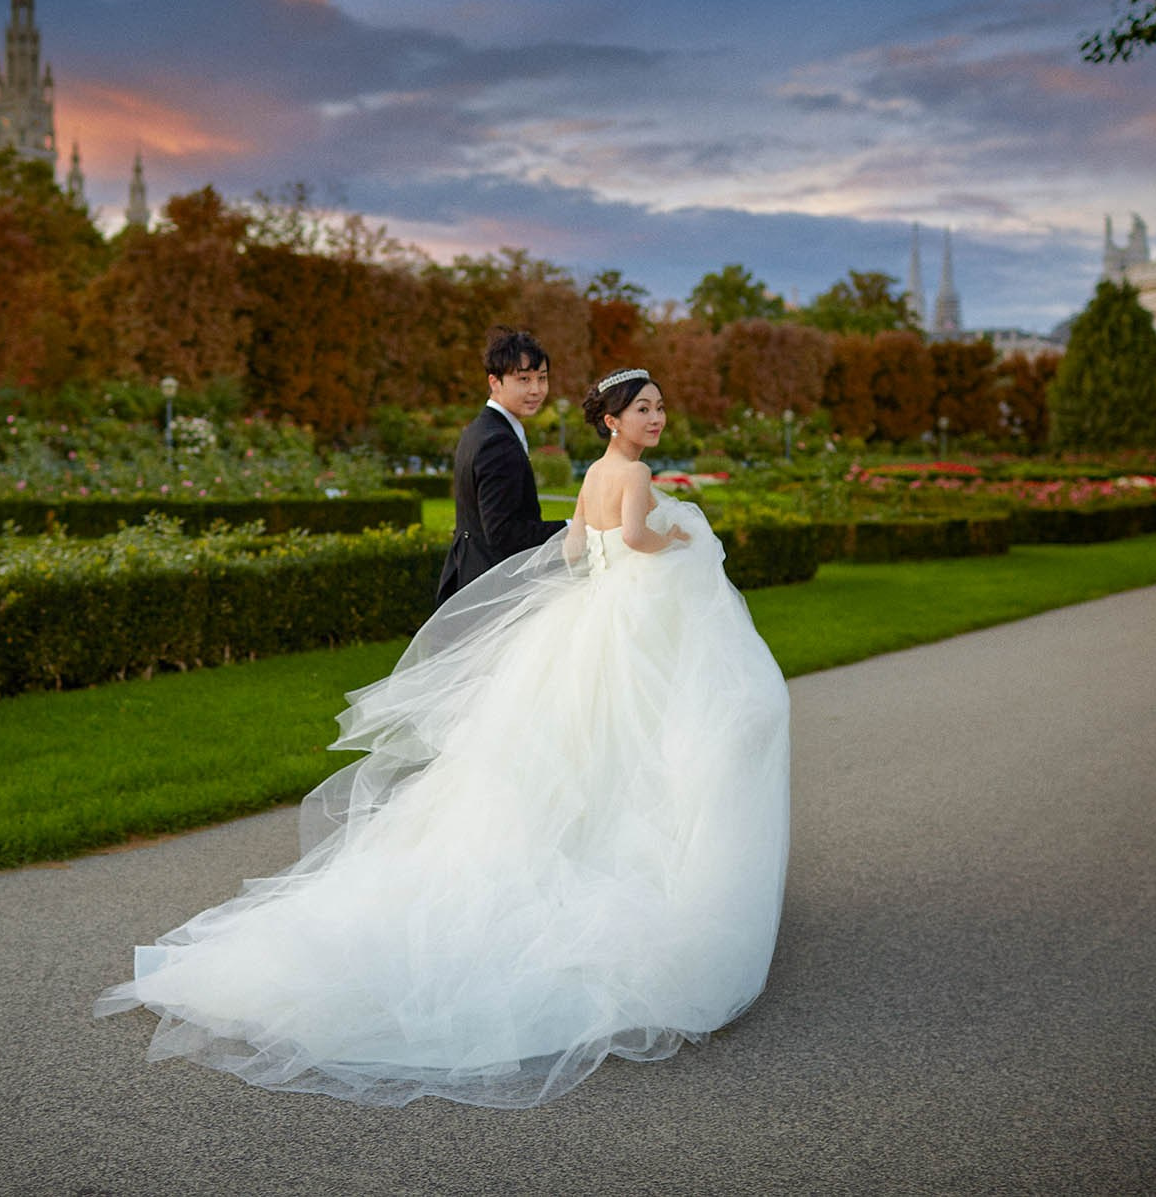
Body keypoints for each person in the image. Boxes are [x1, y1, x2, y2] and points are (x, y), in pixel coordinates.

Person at [95, 367, 793, 1109]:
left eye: (659, 406)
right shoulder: (639, 473)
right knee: (633, 746)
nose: (656, 417)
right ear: (614, 419)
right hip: (623, 628)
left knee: (575, 751)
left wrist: (617, 560)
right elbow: (633, 537)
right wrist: (679, 531)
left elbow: (570, 553)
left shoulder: (592, 471)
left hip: (588, 622)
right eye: (643, 408)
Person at [436, 329, 570, 606]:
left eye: (541, 378)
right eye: (523, 379)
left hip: (472, 573)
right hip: (490, 586)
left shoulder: (481, 429)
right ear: (494, 382)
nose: (536, 389)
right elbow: (504, 534)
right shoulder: (497, 442)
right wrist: (573, 528)